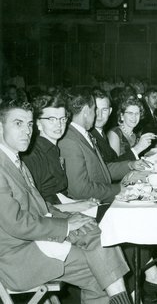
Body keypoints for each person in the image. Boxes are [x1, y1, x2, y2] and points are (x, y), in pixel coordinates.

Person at [0, 99, 132, 304]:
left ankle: (121, 299)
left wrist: (72, 216)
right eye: (18, 123)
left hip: (36, 238)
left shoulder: (13, 159)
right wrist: (66, 225)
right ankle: (123, 300)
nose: (26, 131)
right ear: (0, 127)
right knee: (98, 272)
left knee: (98, 233)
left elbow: (39, 206)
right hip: (18, 257)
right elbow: (16, 223)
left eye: (28, 124)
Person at [22, 93, 98, 213]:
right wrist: (76, 206)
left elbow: (57, 195)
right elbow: (33, 207)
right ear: (38, 123)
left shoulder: (54, 149)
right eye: (51, 119)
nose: (59, 124)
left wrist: (80, 203)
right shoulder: (32, 155)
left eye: (62, 119)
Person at [58, 89, 128, 204]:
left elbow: (100, 169)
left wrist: (130, 165)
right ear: (86, 111)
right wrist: (120, 189)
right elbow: (80, 190)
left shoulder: (84, 133)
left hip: (101, 198)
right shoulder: (69, 141)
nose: (96, 115)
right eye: (94, 109)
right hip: (90, 208)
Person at [107, 94, 154, 158]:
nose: (134, 117)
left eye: (137, 113)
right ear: (122, 116)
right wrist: (138, 147)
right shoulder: (114, 134)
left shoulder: (135, 135)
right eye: (130, 113)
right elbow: (115, 164)